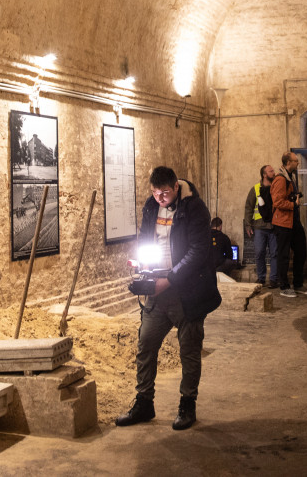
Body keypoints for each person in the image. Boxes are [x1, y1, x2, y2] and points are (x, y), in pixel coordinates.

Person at [116, 167, 222, 431]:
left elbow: (198, 251)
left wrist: (170, 280)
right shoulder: (151, 206)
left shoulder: (194, 208)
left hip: (187, 290)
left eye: (164, 192)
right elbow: (145, 237)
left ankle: (187, 404)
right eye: (154, 192)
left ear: (176, 187)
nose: (159, 198)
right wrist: (142, 265)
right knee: (146, 344)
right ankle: (144, 402)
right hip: (157, 285)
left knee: (189, 350)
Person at [270, 152, 307, 297]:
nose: (297, 163)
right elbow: (277, 202)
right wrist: (294, 203)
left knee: (301, 251)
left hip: (292, 220)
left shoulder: (289, 177)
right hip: (283, 222)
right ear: (288, 162)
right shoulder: (280, 180)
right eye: (295, 161)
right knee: (283, 255)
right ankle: (284, 286)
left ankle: (298, 283)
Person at [243, 165, 276, 286]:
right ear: (264, 174)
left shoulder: (276, 188)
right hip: (259, 227)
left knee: (275, 253)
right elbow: (248, 207)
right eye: (271, 171)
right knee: (259, 253)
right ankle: (261, 278)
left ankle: (273, 279)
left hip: (274, 226)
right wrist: (248, 225)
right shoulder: (255, 189)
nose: (274, 172)